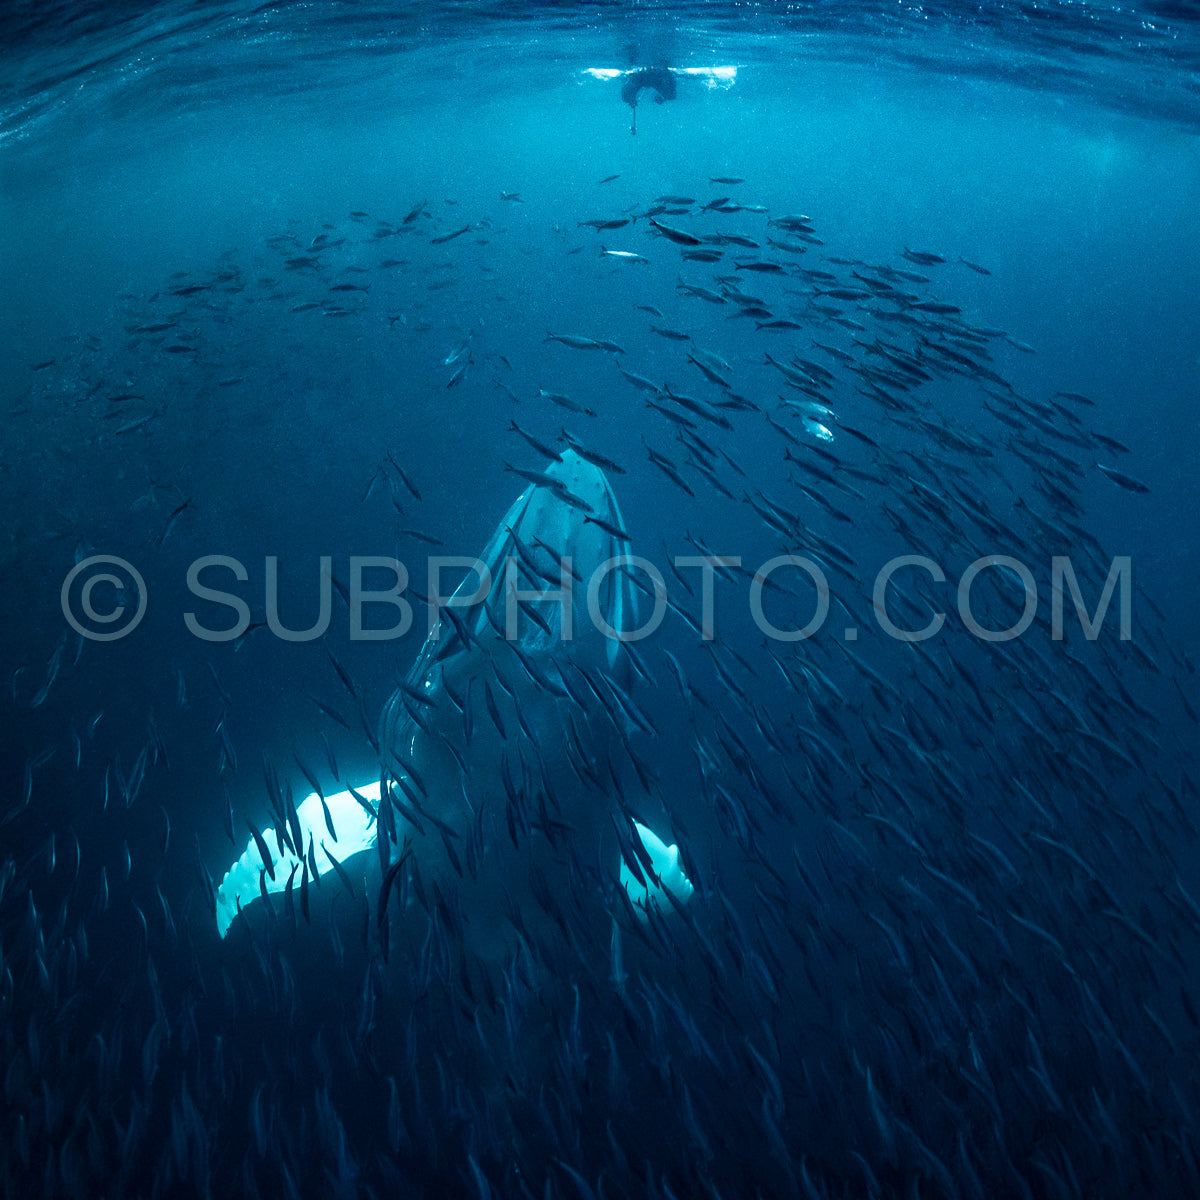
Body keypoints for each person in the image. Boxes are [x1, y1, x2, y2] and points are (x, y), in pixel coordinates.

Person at [621, 66, 676, 135]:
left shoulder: (642, 77)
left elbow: (671, 94)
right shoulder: (645, 77)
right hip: (649, 78)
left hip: (649, 78)